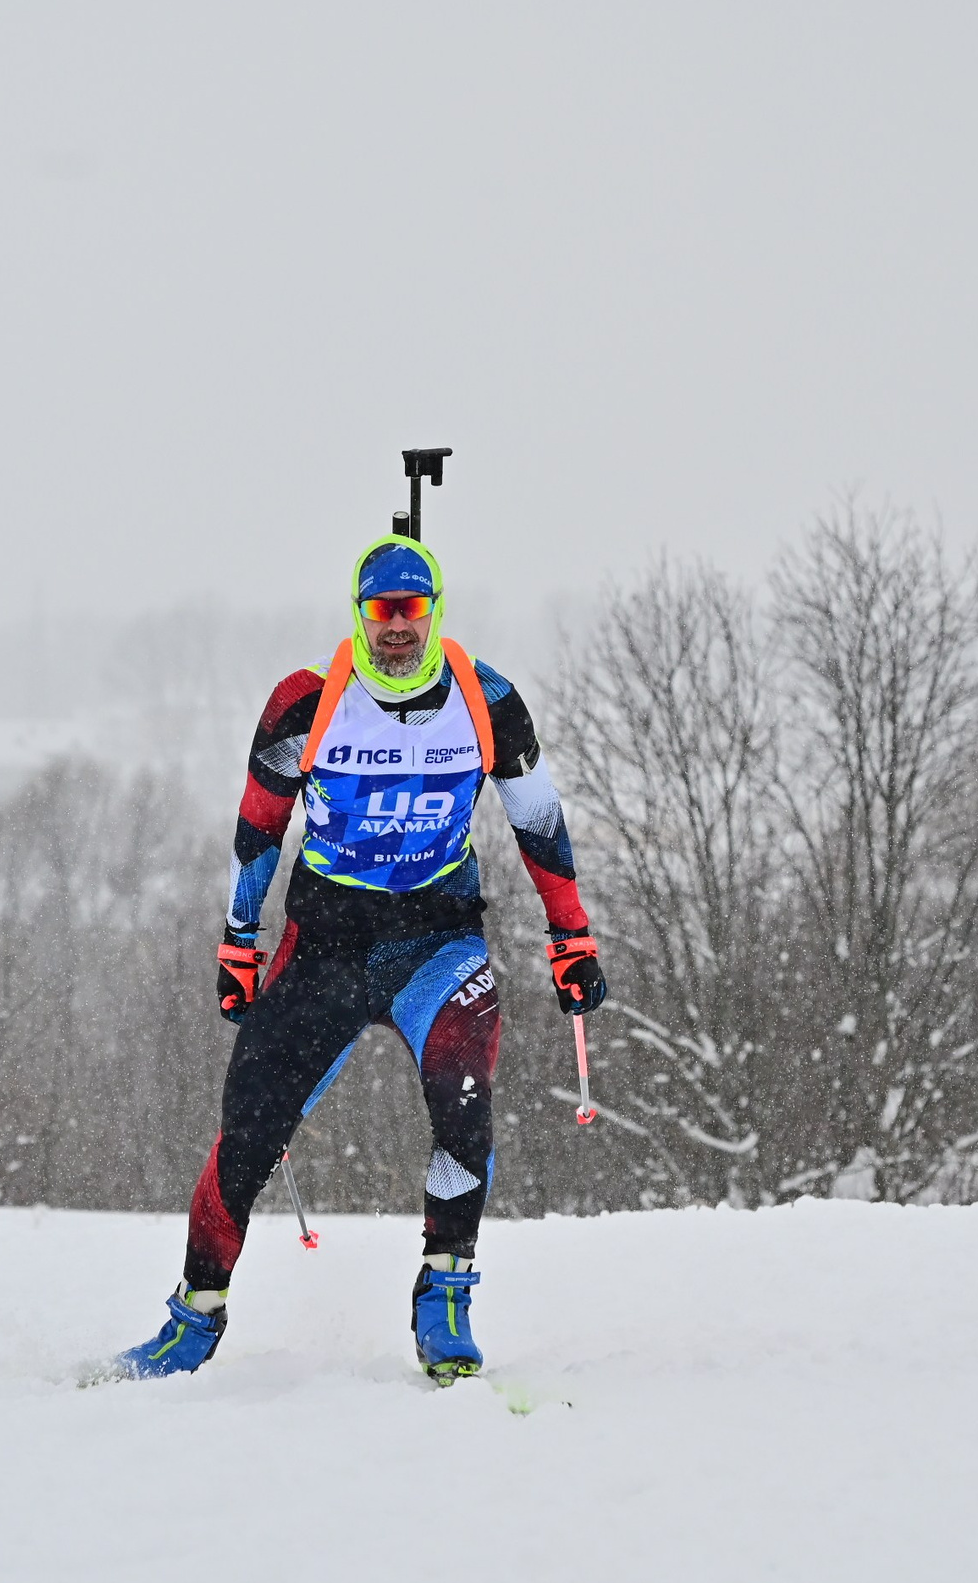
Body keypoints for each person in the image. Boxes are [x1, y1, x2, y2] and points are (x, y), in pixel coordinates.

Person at [108, 532, 607, 1385]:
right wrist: (238, 941)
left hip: (437, 942)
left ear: (435, 612)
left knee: (464, 1102)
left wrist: (572, 936)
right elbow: (257, 829)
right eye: (381, 611)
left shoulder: (488, 700)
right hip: (325, 947)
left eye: (411, 609)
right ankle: (194, 1316)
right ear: (359, 615)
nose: (396, 627)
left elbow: (539, 822)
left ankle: (445, 1297)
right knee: (249, 1130)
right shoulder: (305, 703)